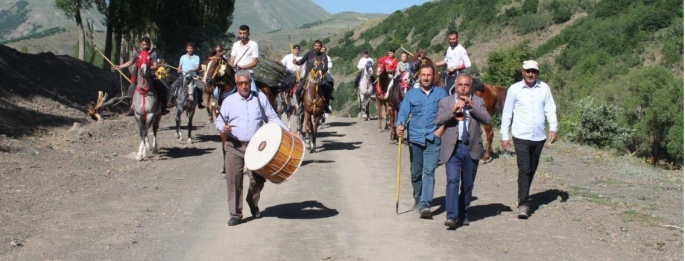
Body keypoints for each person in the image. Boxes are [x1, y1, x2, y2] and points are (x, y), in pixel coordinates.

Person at [215, 70, 296, 226]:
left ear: (250, 82)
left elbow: (272, 117)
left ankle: (252, 202)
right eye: (240, 83)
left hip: (256, 146)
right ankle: (236, 214)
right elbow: (219, 121)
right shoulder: (228, 101)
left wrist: (288, 132)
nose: (244, 86)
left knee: (257, 180)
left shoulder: (260, 98)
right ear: (236, 84)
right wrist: (222, 127)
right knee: (233, 180)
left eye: (246, 83)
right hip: (233, 145)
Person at [500, 60, 558, 219]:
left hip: (539, 136)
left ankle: (523, 193)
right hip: (521, 136)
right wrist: (505, 135)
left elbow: (550, 109)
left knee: (531, 169)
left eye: (534, 71)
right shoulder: (514, 89)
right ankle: (523, 202)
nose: (531, 74)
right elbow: (507, 113)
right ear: (523, 72)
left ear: (537, 73)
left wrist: (553, 127)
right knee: (524, 168)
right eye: (528, 71)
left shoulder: (544, 88)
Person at [435, 74, 491, 228]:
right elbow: (438, 120)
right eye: (460, 85)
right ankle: (451, 216)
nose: (463, 88)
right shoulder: (446, 101)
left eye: (466, 85)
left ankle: (463, 213)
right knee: (452, 180)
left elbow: (487, 120)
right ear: (456, 86)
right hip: (453, 148)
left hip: (471, 146)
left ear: (470, 87)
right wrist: (453, 111)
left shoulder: (478, 101)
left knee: (467, 183)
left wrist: (472, 106)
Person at [395, 64, 448, 219]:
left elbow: (447, 113)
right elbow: (404, 112)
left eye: (429, 75)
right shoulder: (412, 94)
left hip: (433, 137)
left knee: (429, 171)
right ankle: (418, 198)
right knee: (416, 172)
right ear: (419, 76)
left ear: (434, 76)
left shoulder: (441, 93)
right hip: (415, 137)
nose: (426, 77)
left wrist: (442, 129)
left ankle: (425, 204)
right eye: (423, 75)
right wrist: (400, 124)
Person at [114, 36, 170, 116]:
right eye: (143, 44)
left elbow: (155, 65)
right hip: (139, 76)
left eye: (147, 44)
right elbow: (131, 62)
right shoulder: (137, 52)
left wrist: (148, 67)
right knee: (130, 90)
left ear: (149, 44)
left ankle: (163, 107)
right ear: (141, 44)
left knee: (162, 87)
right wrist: (120, 66)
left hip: (151, 75)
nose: (145, 46)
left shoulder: (153, 53)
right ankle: (131, 108)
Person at [293, 40, 331, 114]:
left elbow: (326, 68)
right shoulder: (309, 54)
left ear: (321, 46)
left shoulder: (324, 56)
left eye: (319, 46)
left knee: (327, 89)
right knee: (298, 91)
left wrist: (322, 67)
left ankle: (326, 106)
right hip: (307, 77)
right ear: (314, 46)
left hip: (320, 78)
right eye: (316, 45)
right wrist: (296, 62)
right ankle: (300, 106)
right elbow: (301, 61)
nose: (317, 47)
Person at [170, 42, 204, 109]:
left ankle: (200, 102)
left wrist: (191, 70)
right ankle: (171, 101)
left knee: (200, 87)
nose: (190, 50)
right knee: (173, 86)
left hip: (193, 77)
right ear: (186, 49)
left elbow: (197, 67)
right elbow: (179, 66)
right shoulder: (182, 57)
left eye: (191, 48)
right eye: (189, 48)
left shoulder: (196, 57)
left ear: (193, 49)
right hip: (183, 76)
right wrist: (179, 69)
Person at [229, 25, 259, 93]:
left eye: (244, 33)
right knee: (216, 93)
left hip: (247, 73)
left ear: (248, 34)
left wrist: (242, 67)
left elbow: (254, 62)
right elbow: (231, 61)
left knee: (254, 91)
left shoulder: (253, 45)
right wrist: (233, 66)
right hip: (235, 73)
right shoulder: (235, 45)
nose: (242, 35)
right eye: (240, 33)